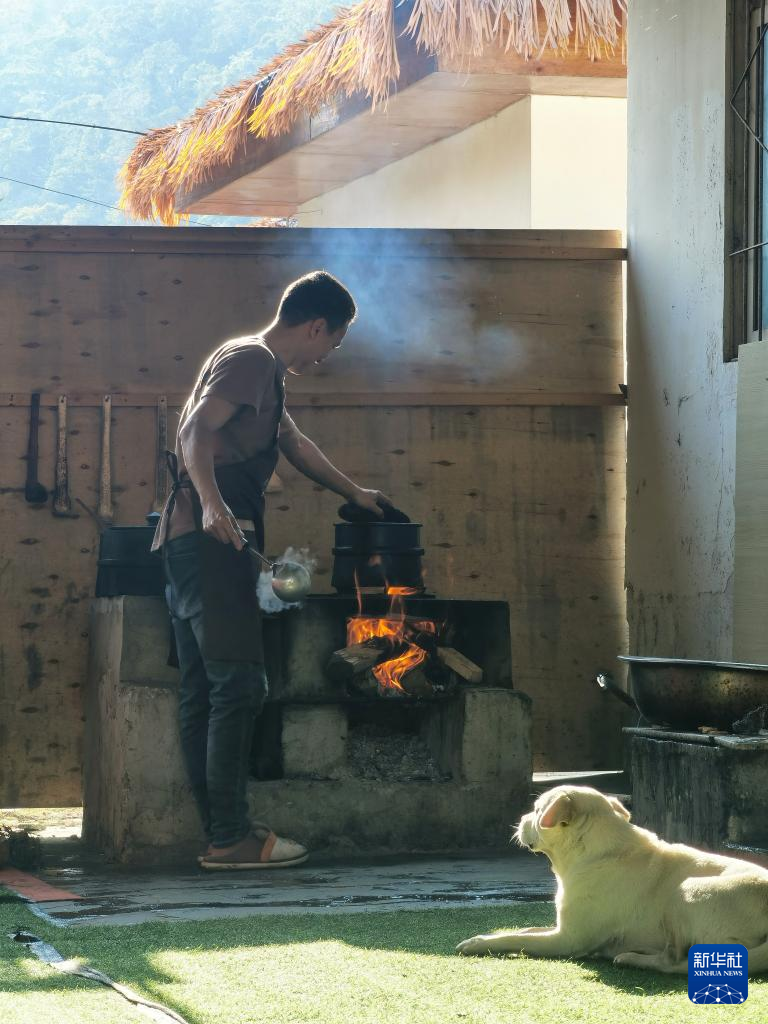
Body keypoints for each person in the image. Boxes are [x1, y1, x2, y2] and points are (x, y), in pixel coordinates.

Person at [152, 270, 390, 870]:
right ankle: (231, 837)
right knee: (239, 686)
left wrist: (354, 492)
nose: (327, 355)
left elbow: (296, 445)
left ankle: (223, 834)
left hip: (193, 540)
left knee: (206, 689)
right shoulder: (252, 360)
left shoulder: (261, 371)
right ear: (316, 326)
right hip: (209, 538)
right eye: (332, 342)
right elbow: (193, 430)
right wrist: (213, 504)